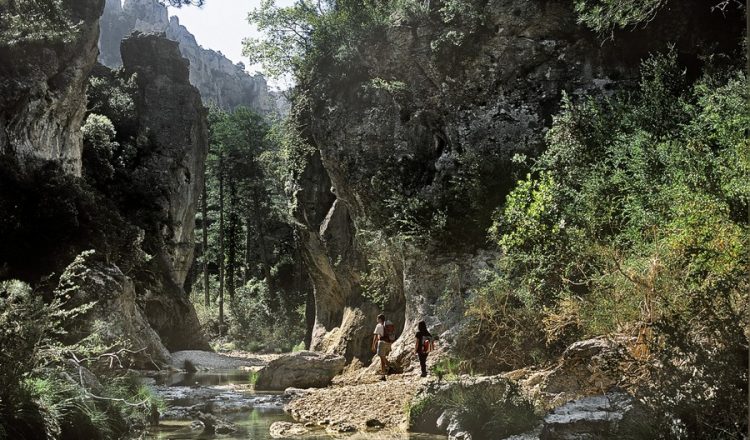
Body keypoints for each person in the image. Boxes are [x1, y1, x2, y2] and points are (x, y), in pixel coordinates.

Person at [371, 314, 392, 380]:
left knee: (381, 356)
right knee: (382, 358)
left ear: (380, 319)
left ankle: (390, 367)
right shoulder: (389, 323)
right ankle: (383, 375)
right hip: (389, 343)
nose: (377, 320)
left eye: (377, 318)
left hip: (382, 343)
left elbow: (376, 337)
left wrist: (373, 345)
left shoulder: (379, 325)